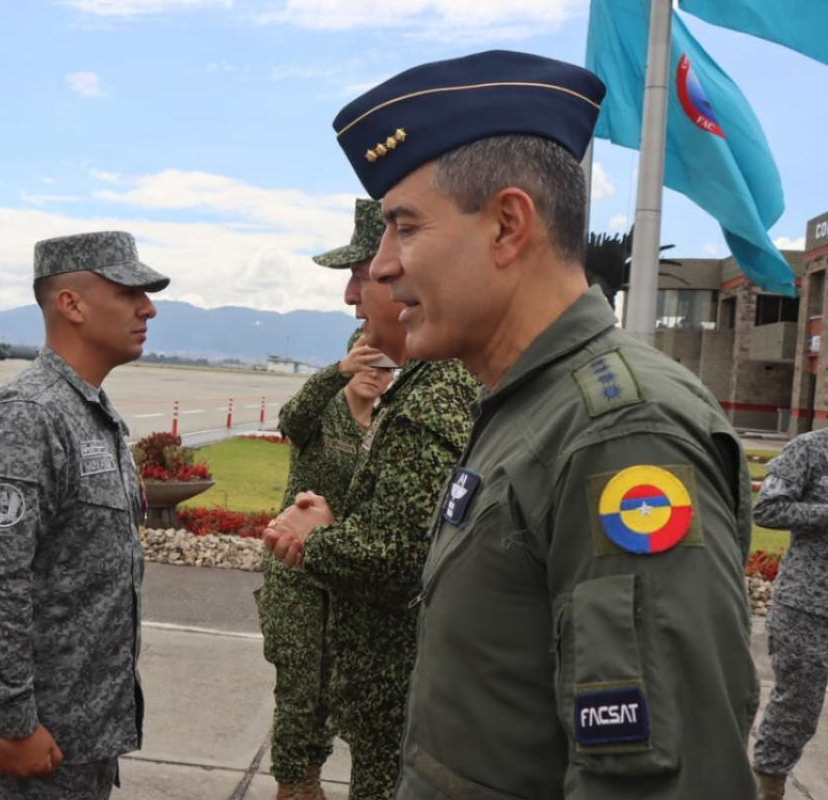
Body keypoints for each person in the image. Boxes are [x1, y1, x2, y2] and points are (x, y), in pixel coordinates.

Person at [326, 50, 758, 798]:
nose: (383, 267)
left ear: (506, 225)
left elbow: (656, 778)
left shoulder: (621, 433)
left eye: (403, 228)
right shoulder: (530, 403)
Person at [264, 199, 477, 800]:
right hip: (335, 623)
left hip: (404, 700)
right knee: (302, 696)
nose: (353, 297)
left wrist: (320, 537)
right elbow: (295, 420)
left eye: (365, 276)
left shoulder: (427, 394)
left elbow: (395, 552)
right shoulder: (362, 396)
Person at [0, 231, 168, 800]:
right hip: (36, 745)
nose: (148, 307)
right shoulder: (28, 417)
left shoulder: (87, 412)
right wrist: (14, 722)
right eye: (129, 292)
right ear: (70, 304)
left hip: (82, 733)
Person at [258, 317, 392, 800]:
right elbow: (291, 419)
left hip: (338, 571)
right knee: (298, 684)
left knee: (331, 688)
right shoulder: (325, 412)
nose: (374, 372)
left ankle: (310, 775)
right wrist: (336, 372)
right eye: (365, 360)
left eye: (384, 365)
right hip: (293, 567)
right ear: (350, 359)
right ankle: (290, 783)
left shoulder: (382, 428)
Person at [751, 431, 828, 799]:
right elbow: (766, 508)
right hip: (808, 607)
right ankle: (769, 785)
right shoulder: (810, 449)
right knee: (797, 707)